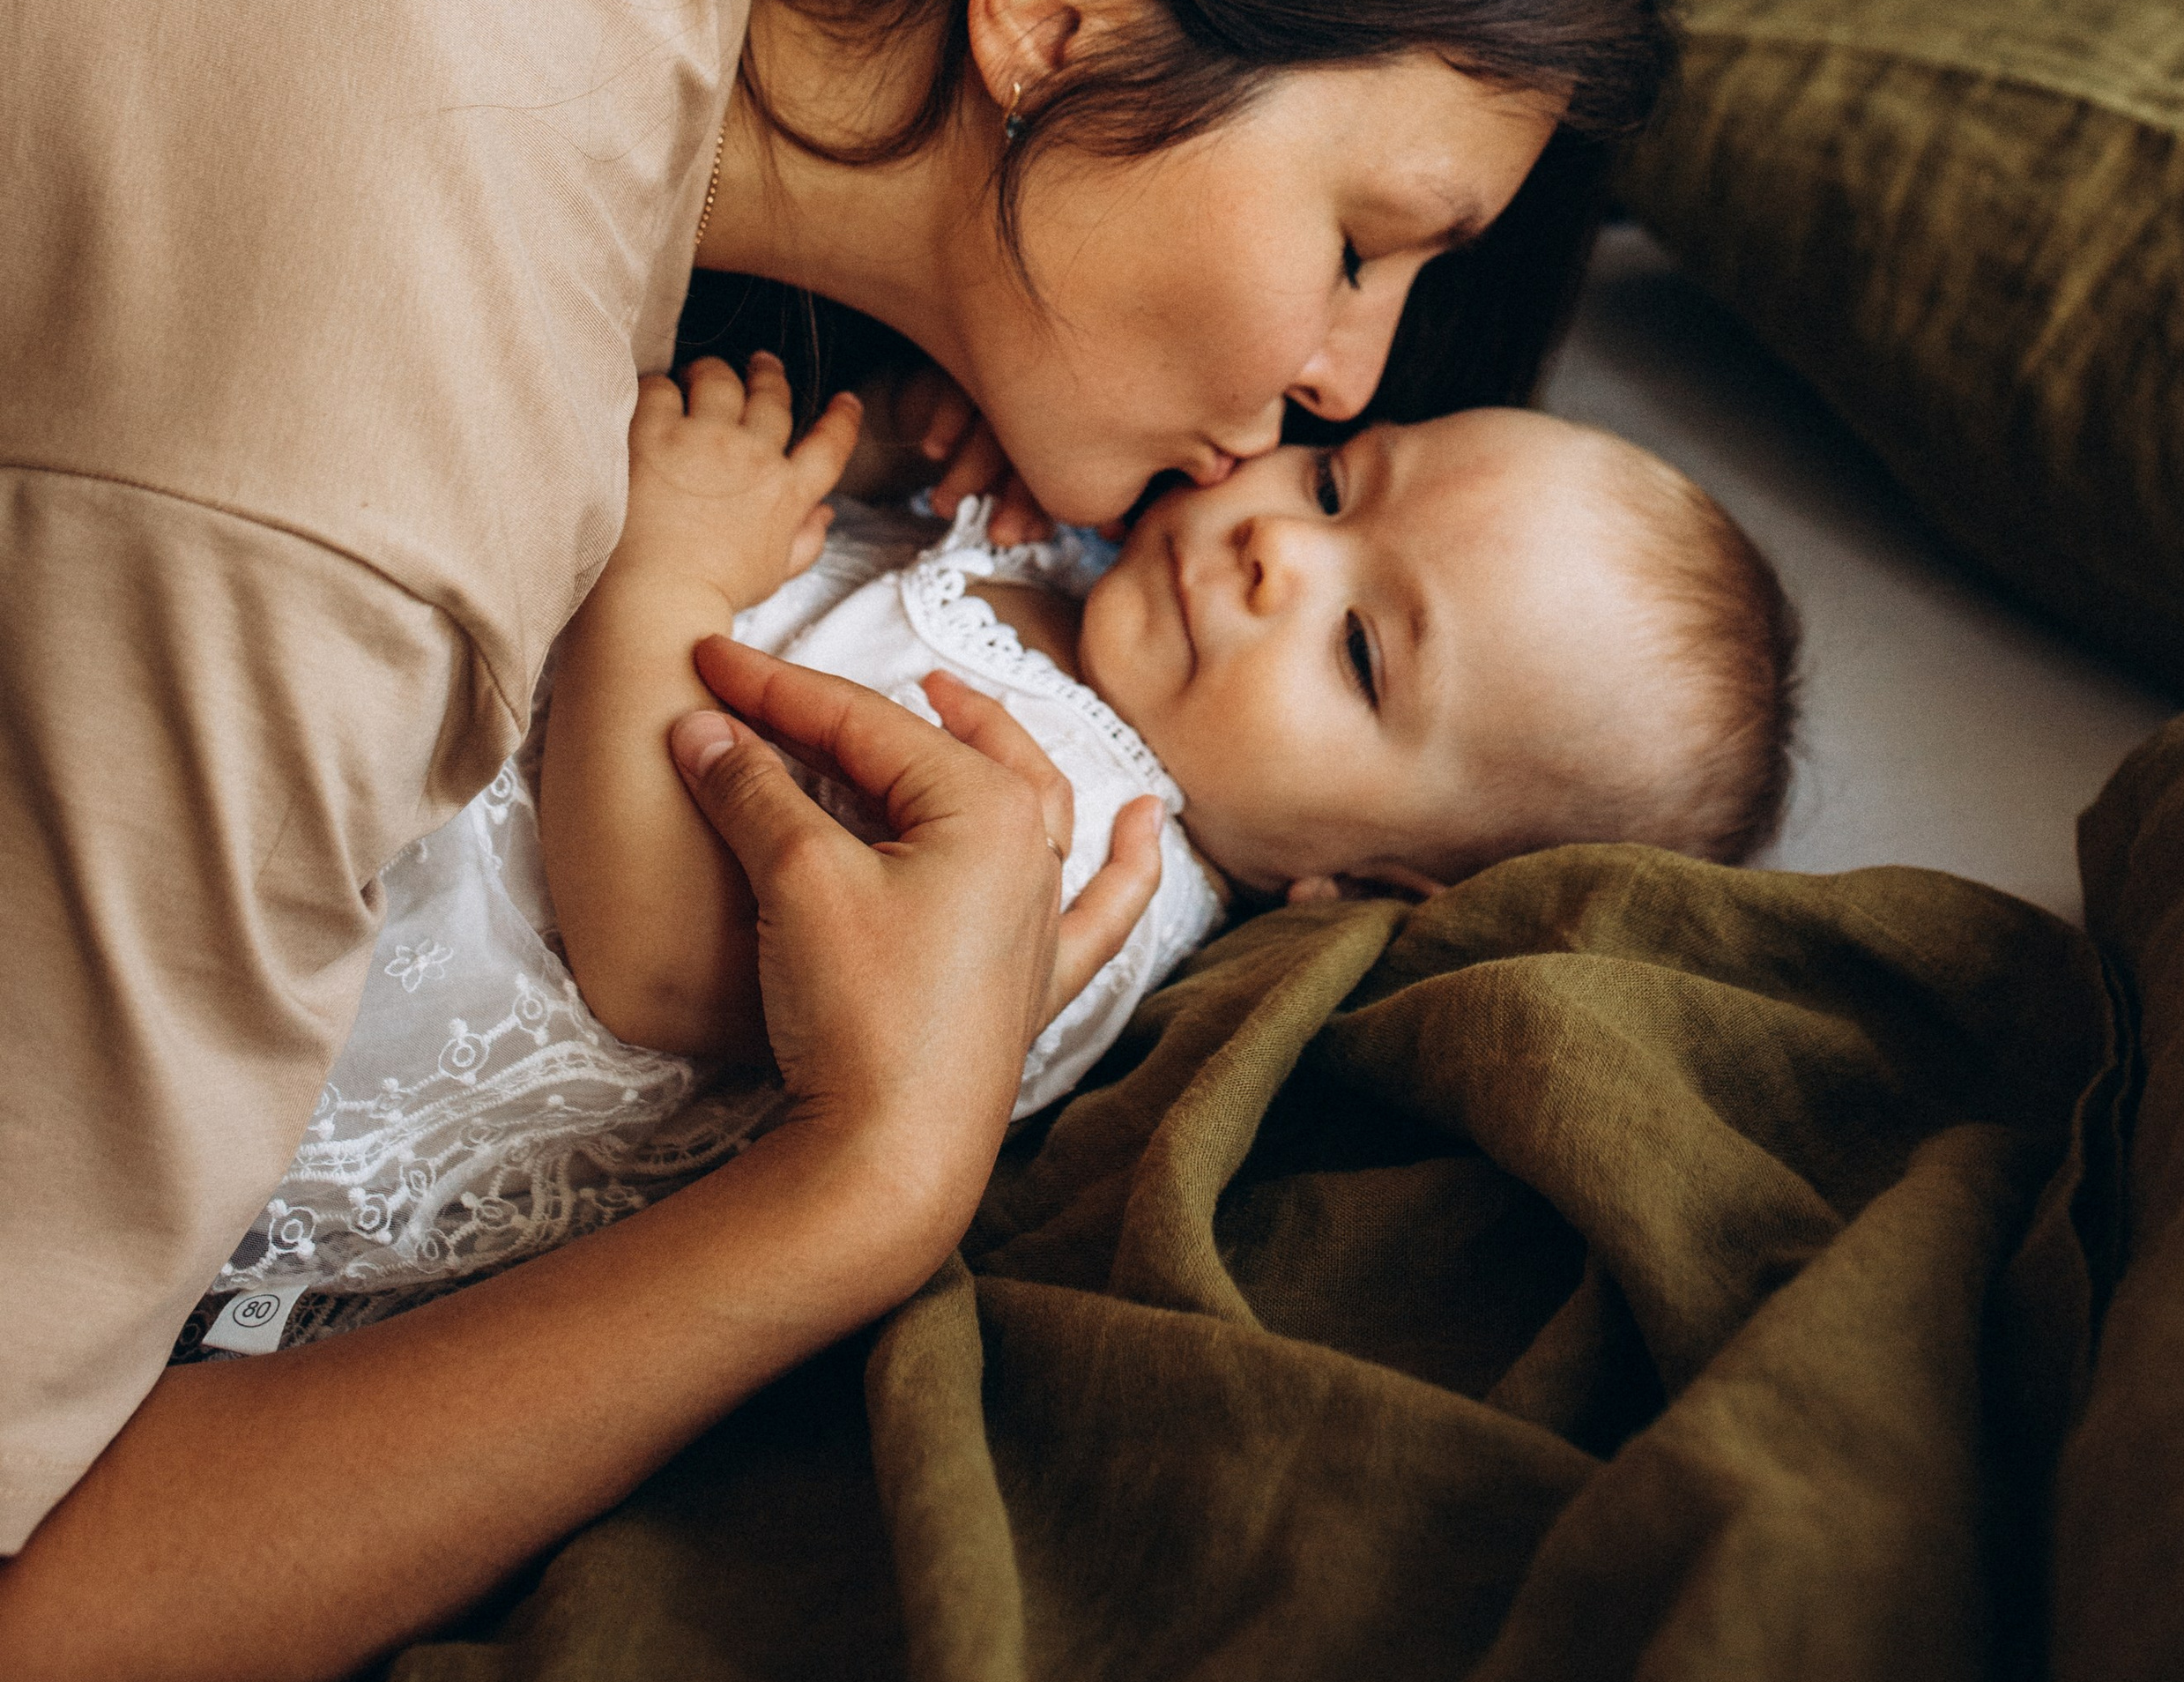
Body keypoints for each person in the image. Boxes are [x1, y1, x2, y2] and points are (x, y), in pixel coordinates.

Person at [0, 0, 1664, 1682]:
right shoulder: (351, 497)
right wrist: (859, 1199)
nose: (1323, 382)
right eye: (1363, 246)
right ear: (1060, 14)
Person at [192, 351, 1794, 1336]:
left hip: (371, 1029)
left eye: (1362, 654)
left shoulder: (1101, 867)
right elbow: (838, 543)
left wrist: (667, 581)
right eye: (1333, 479)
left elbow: (662, 969)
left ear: (1368, 883)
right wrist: (907, 433)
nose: (1272, 551)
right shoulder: (1082, 548)